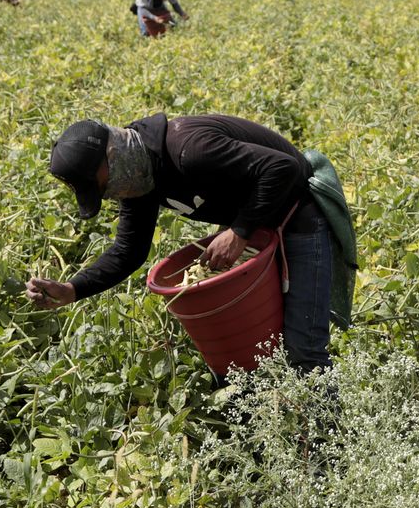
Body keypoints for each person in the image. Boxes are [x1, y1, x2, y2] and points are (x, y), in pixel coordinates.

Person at [26, 114, 356, 373]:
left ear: (114, 156)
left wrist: (238, 232)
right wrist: (73, 289)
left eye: (105, 185)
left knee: (304, 349)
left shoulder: (190, 150)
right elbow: (129, 251)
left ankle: (330, 453)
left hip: (299, 218)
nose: (112, 194)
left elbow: (286, 168)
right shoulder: (139, 179)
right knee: (255, 346)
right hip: (262, 227)